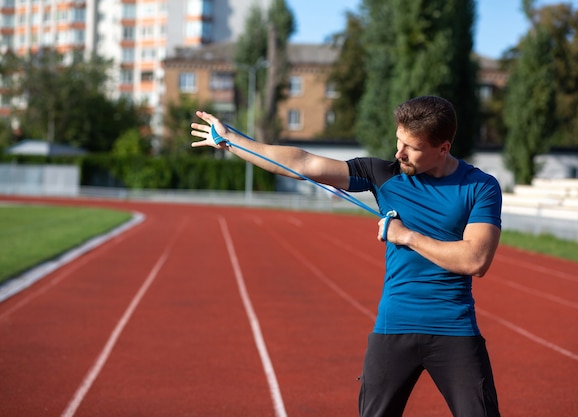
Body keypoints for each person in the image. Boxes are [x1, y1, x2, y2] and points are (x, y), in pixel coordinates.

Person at [190, 95, 502, 417]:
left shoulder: (481, 187)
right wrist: (232, 140)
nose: (399, 153)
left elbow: (475, 260)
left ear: (443, 148)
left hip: (454, 328)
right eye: (399, 141)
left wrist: (406, 236)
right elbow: (301, 164)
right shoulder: (383, 174)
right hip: (393, 326)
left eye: (412, 147)